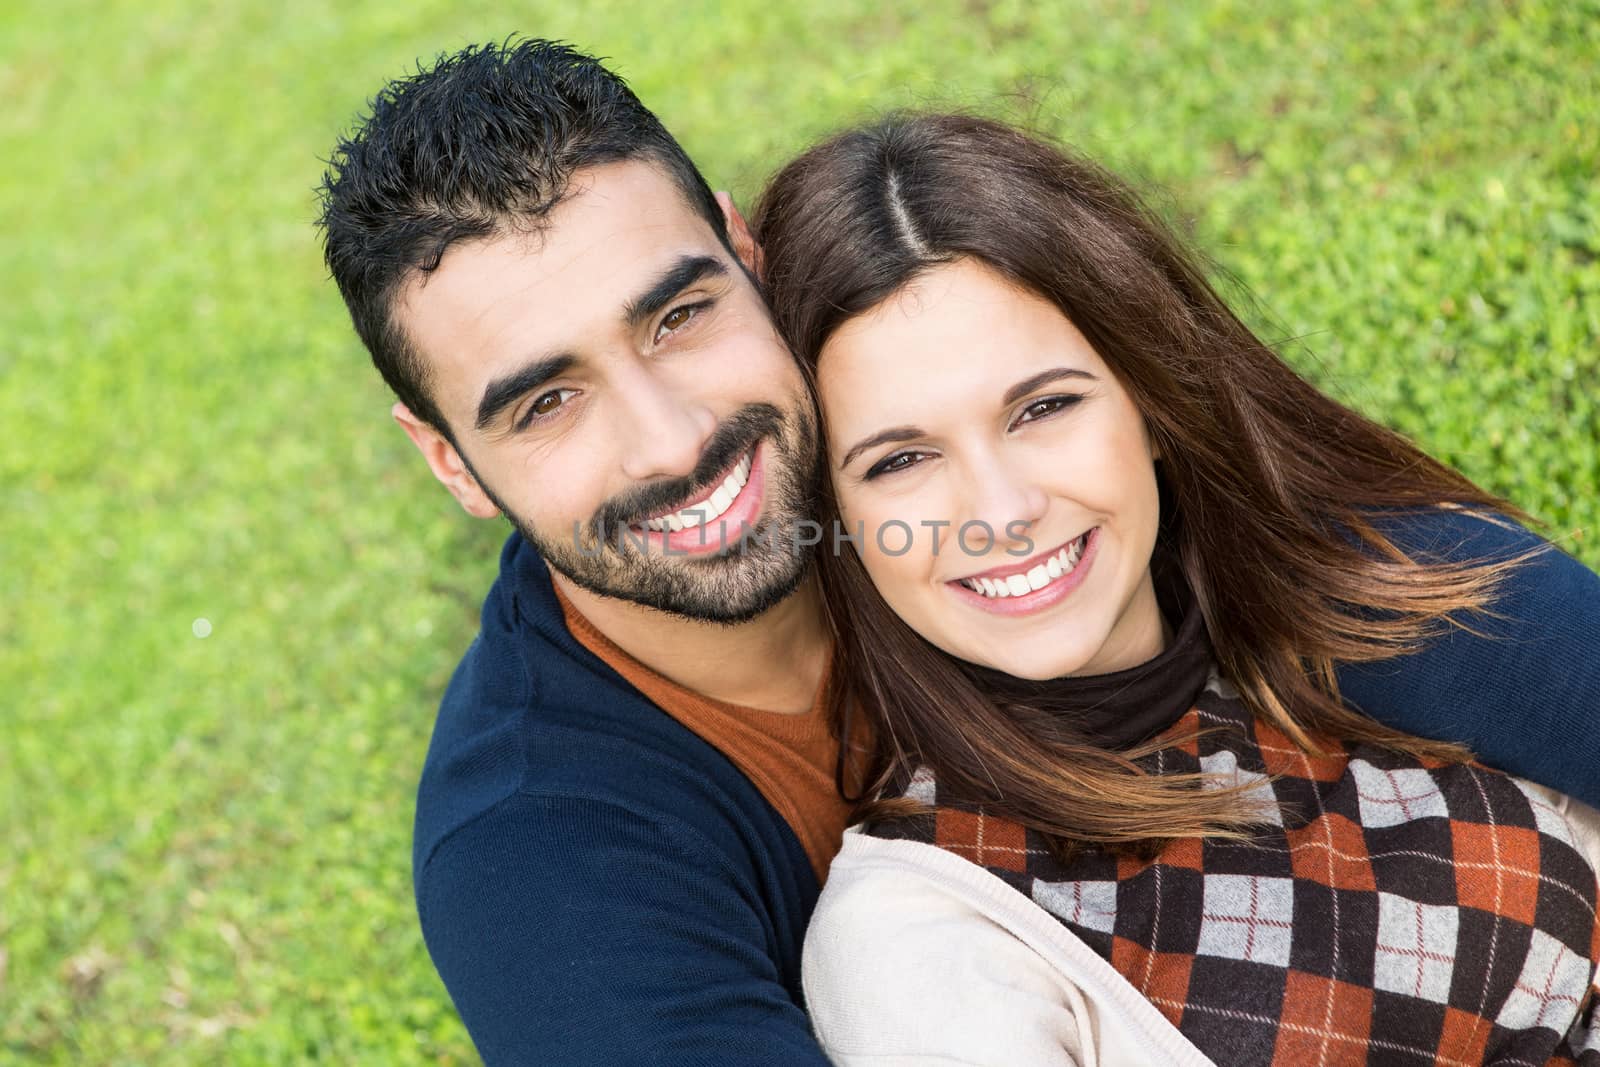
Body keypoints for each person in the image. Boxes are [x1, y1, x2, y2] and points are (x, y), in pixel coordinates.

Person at [315, 39, 1600, 1064]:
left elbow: (1342, 553)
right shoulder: (540, 859)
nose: (675, 441)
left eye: (678, 314)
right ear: (445, 458)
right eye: (546, 402)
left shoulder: (916, 396)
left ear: (740, 248)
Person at [752, 112, 1600, 1065]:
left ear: (1152, 402)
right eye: (902, 458)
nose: (1000, 508)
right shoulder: (916, 933)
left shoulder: (1341, 598)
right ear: (840, 520)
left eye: (1044, 406)